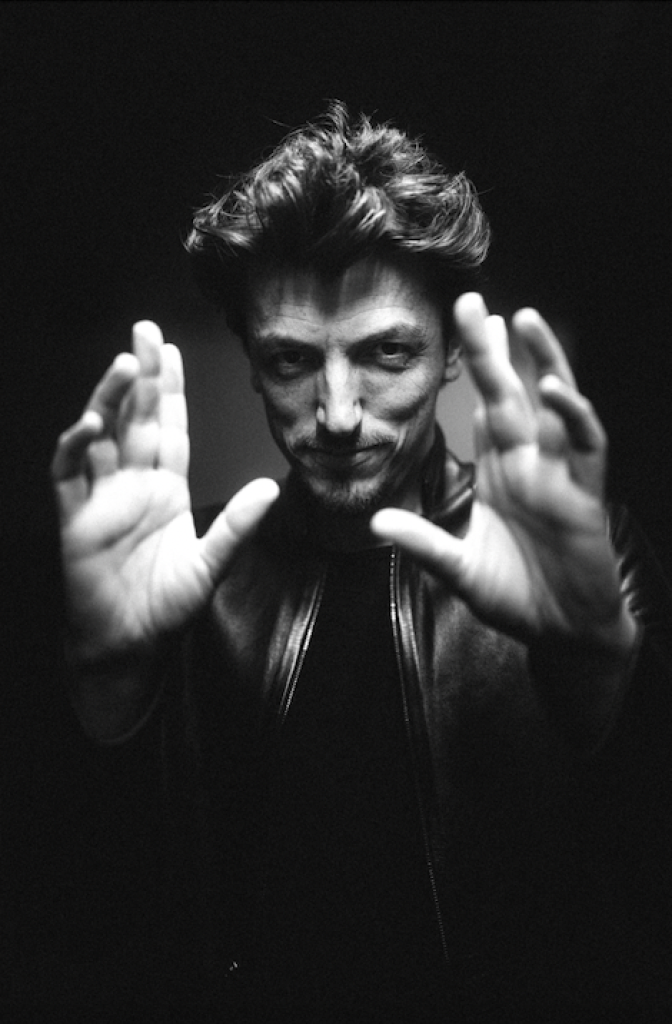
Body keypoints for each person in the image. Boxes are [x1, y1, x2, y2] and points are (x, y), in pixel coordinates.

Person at [51, 104, 671, 1022]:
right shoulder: (183, 575)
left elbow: (641, 888)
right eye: (292, 360)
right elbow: (91, 915)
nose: (338, 413)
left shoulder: (580, 555)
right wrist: (107, 675)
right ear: (252, 364)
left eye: (387, 352)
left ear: (451, 353)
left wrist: (600, 666)